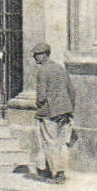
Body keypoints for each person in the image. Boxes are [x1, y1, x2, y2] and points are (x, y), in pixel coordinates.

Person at [30, 43, 76, 183]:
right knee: (61, 143)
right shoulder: (60, 68)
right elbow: (72, 91)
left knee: (50, 142)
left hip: (49, 112)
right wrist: (69, 109)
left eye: (37, 55)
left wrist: (39, 106)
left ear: (44, 55)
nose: (35, 58)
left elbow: (41, 96)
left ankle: (57, 173)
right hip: (65, 111)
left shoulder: (43, 71)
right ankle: (50, 169)